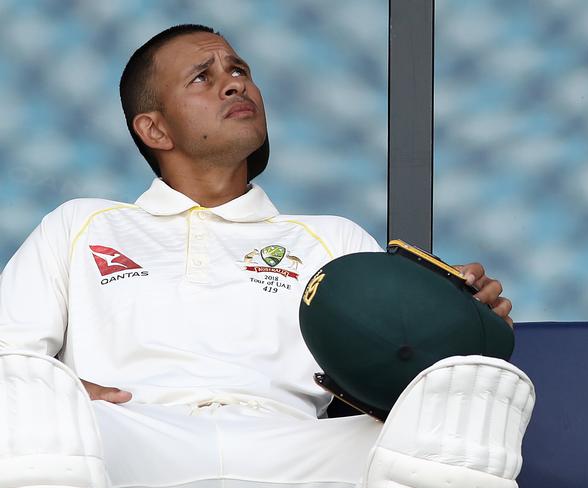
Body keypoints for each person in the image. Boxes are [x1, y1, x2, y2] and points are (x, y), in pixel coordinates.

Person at [0, 24, 532, 488]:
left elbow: (397, 376)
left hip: (297, 444)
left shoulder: (331, 237)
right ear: (154, 128)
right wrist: (62, 392)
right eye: (201, 78)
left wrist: (459, 324)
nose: (235, 82)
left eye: (239, 70)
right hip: (130, 432)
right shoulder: (81, 225)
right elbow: (8, 352)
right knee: (28, 401)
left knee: (460, 404)